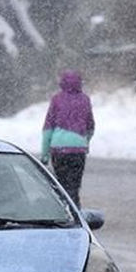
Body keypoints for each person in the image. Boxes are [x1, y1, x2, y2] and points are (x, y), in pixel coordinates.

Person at [41, 70, 94, 207]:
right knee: (74, 185)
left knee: (61, 184)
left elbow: (48, 128)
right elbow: (90, 126)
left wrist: (44, 154)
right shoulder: (85, 100)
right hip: (78, 150)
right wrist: (85, 141)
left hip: (58, 148)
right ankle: (75, 210)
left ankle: (63, 210)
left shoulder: (56, 99)